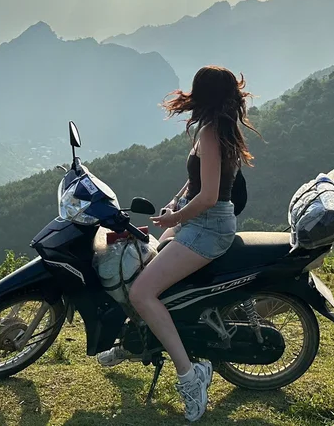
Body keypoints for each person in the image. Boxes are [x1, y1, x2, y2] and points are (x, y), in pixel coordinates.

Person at [97, 66, 257, 422]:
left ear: (204, 95)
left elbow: (210, 195)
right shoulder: (216, 128)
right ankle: (137, 342)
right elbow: (195, 181)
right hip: (198, 221)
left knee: (141, 293)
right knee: (143, 266)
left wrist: (175, 218)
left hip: (208, 229)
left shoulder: (212, 133)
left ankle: (190, 375)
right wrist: (175, 203)